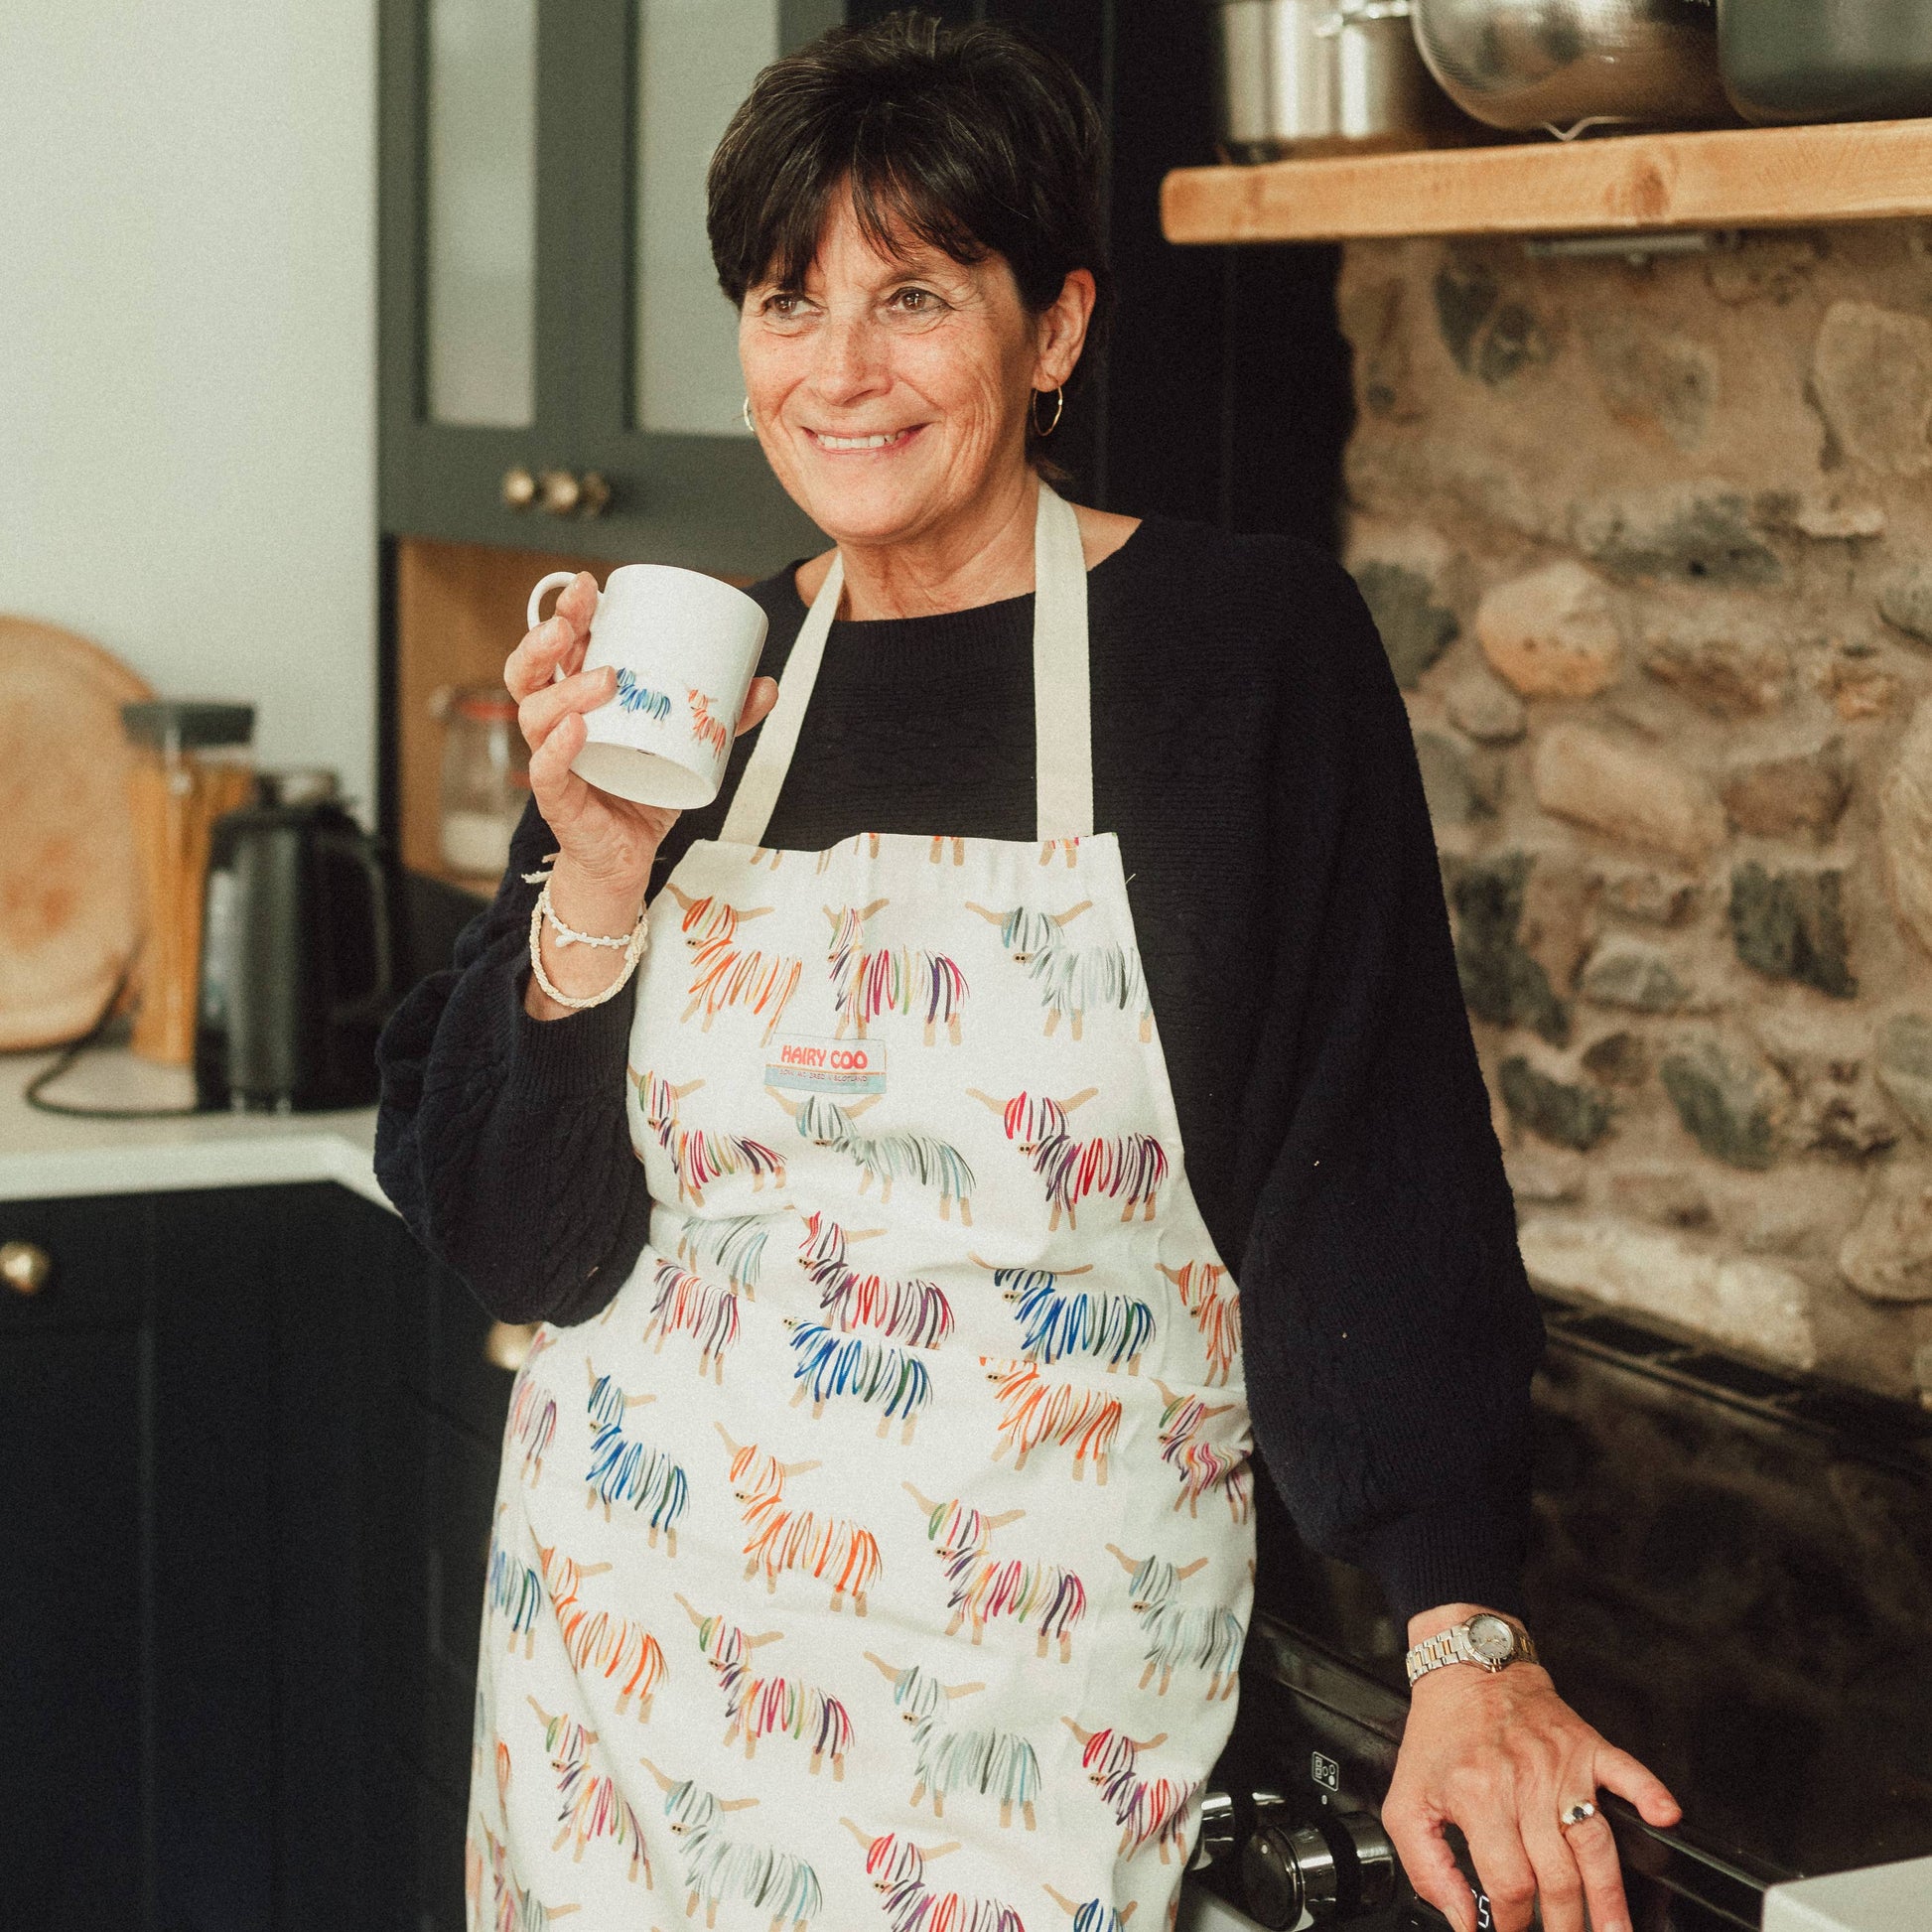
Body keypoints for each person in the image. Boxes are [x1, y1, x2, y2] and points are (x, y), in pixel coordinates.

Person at [376, 14, 1680, 1931]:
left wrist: (1463, 1637)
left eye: (913, 295)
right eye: (787, 300)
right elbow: (521, 1242)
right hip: (624, 1696)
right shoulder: (692, 678)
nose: (838, 369)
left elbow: (1374, 1167)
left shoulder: (1240, 654)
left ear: (1054, 329)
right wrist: (598, 856)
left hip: (1018, 1725)